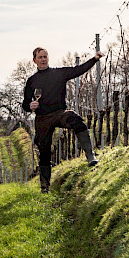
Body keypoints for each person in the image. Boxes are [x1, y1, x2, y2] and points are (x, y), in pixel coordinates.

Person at [22, 47, 104, 193]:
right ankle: (45, 187)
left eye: (45, 56)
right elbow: (25, 104)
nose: (43, 59)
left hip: (60, 112)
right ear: (34, 60)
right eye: (40, 57)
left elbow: (79, 70)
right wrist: (30, 106)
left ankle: (90, 156)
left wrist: (94, 59)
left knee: (76, 120)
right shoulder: (31, 81)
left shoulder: (59, 73)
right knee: (44, 150)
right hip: (42, 118)